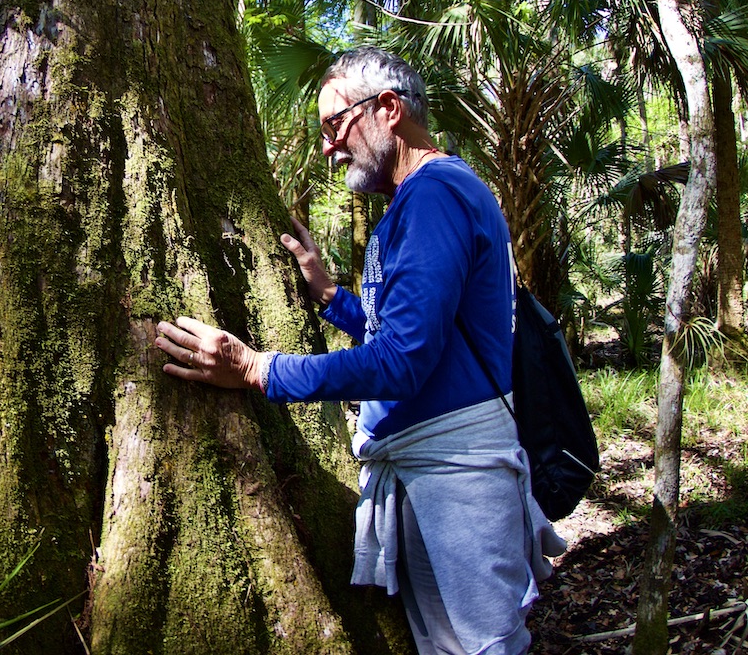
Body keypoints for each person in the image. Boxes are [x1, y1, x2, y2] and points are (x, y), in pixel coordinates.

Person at [154, 47, 565, 655]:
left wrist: (255, 368)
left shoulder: (435, 196)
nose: (328, 147)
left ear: (389, 109)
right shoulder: (418, 201)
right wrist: (328, 294)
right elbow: (409, 332)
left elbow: (401, 360)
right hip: (429, 474)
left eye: (333, 124)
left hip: (456, 482)